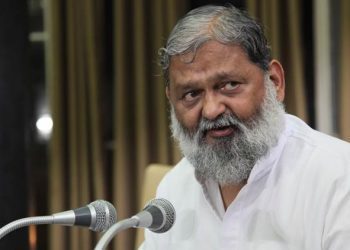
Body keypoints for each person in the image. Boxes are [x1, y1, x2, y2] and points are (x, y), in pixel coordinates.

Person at [140, 4, 350, 250]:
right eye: (191, 94)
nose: (211, 109)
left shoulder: (338, 177)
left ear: (274, 82)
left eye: (229, 85)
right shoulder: (173, 191)